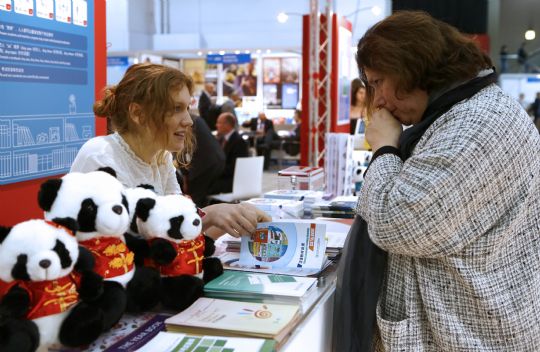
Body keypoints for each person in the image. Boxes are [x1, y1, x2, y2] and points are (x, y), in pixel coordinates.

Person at [335, 11, 540, 351]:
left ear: (411, 67)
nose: (379, 101)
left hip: (469, 332)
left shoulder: (474, 126)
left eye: (377, 82)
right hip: (475, 322)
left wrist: (385, 147)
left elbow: (396, 223)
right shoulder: (469, 110)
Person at [70, 63, 270, 239]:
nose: (189, 121)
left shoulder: (161, 157)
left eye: (187, 108)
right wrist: (211, 214)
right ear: (138, 114)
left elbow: (178, 231)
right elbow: (126, 247)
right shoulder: (102, 157)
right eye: (176, 108)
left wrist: (235, 215)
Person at [178, 114, 225, 207]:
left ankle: (195, 218)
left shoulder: (181, 119)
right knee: (201, 195)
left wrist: (185, 175)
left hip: (205, 163)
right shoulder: (194, 117)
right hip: (218, 159)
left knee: (195, 197)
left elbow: (182, 148)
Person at [210, 112, 249, 194]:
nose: (216, 125)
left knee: (202, 186)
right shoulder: (220, 139)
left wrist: (213, 171)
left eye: (219, 123)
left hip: (232, 181)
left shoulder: (239, 142)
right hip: (221, 177)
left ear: (227, 125)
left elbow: (235, 168)